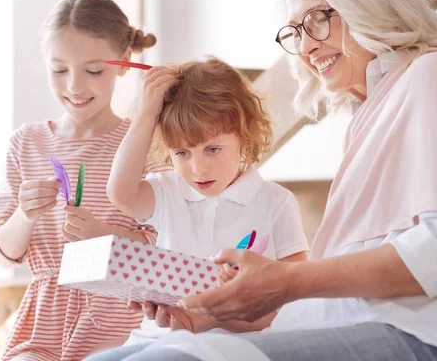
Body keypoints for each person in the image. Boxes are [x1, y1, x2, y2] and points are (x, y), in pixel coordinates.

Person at [90, 0, 437, 360]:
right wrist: (210, 314)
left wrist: (289, 281)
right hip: (365, 325)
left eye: (318, 19)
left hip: (429, 337)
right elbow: (338, 296)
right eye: (295, 31)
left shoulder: (436, 76)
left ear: (366, 1)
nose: (306, 47)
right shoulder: (371, 117)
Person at [0, 0, 168, 360]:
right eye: (59, 70)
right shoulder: (26, 143)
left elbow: (165, 243)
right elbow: (3, 254)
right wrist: (25, 216)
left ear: (124, 64)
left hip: (122, 322)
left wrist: (103, 235)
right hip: (43, 325)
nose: (74, 86)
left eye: (93, 70)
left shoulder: (146, 144)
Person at [94, 58, 308, 357]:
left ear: (244, 136)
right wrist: (146, 114)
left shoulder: (276, 202)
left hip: (233, 343)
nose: (198, 169)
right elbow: (120, 193)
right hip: (156, 337)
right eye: (182, 153)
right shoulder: (167, 190)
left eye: (212, 149)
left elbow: (297, 302)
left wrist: (220, 313)